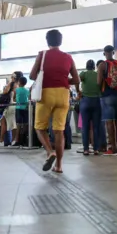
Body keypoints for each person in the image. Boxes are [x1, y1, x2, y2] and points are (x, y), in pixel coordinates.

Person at [30, 29, 80, 173]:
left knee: (40, 128)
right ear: (61, 41)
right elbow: (76, 79)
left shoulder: (42, 55)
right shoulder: (68, 57)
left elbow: (33, 76)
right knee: (59, 131)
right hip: (63, 94)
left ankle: (50, 152)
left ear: (47, 41)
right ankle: (59, 166)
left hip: (46, 93)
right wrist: (63, 79)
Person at [98, 45, 117, 156]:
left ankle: (113, 148)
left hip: (107, 95)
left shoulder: (102, 65)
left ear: (104, 53)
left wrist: (100, 93)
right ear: (113, 52)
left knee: (109, 121)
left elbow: (99, 82)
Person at [79, 60, 103, 156]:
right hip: (97, 101)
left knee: (85, 127)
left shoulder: (83, 74)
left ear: (86, 66)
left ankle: (86, 149)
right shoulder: (98, 74)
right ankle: (96, 149)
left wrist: (78, 90)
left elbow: (77, 80)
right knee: (96, 127)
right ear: (94, 67)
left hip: (85, 101)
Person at [15, 76, 30, 146]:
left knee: (18, 125)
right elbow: (29, 98)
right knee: (25, 124)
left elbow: (14, 98)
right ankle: (24, 140)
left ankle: (17, 141)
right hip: (25, 108)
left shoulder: (16, 90)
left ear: (19, 82)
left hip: (18, 108)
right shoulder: (27, 90)